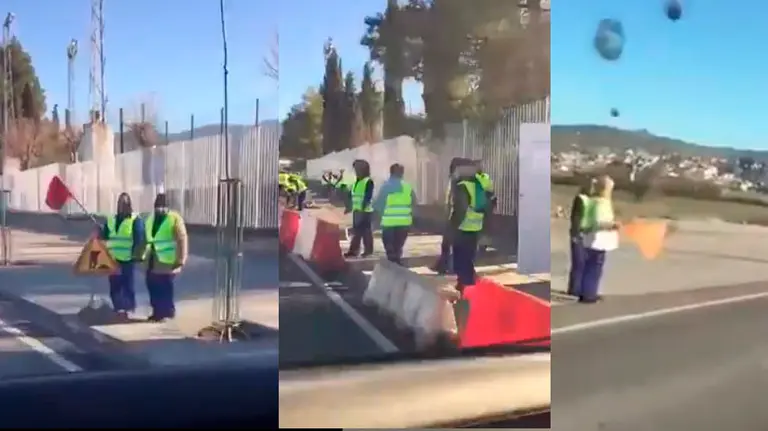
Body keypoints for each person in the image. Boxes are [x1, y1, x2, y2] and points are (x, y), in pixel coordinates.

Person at [143, 194, 189, 322]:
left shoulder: (174, 218)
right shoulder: (150, 219)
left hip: (167, 261)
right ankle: (157, 312)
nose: (160, 210)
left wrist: (181, 259)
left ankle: (167, 312)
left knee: (165, 288)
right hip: (152, 260)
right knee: (153, 287)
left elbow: (182, 239)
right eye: (158, 207)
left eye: (163, 207)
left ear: (167, 207)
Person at [101, 193, 145, 319]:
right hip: (113, 259)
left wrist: (137, 254)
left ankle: (128, 308)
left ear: (129, 205)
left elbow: (139, 238)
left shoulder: (135, 220)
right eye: (120, 204)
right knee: (115, 284)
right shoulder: (111, 220)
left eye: (125, 204)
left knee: (127, 285)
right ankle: (118, 308)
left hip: (127, 258)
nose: (122, 207)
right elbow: (105, 235)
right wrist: (100, 232)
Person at [580, 175, 620, 304]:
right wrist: (612, 225)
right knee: (594, 267)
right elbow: (599, 222)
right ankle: (589, 294)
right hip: (598, 239)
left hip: (592, 238)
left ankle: (587, 292)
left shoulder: (593, 200)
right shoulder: (601, 202)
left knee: (590, 266)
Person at [449, 162, 486, 293]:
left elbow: (461, 209)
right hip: (476, 225)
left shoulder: (462, 187)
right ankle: (468, 284)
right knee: (468, 256)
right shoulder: (477, 185)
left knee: (460, 257)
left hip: (463, 227)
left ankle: (464, 287)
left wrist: (454, 225)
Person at [373, 163, 417, 264]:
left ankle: (393, 266)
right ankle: (397, 264)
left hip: (389, 224)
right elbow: (414, 203)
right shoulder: (408, 187)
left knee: (390, 250)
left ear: (391, 172)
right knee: (398, 247)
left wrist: (376, 218)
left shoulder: (386, 187)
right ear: (402, 173)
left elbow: (378, 204)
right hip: (404, 223)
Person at [567, 177, 596, 298]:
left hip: (589, 234)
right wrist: (575, 234)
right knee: (578, 263)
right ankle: (574, 290)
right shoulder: (581, 199)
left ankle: (584, 290)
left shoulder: (593, 200)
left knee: (586, 263)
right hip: (579, 234)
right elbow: (576, 217)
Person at [344, 160, 375, 258]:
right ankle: (354, 251)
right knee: (357, 232)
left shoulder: (368, 181)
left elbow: (367, 196)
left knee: (365, 233)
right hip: (357, 211)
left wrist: (362, 208)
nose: (356, 171)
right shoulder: (356, 182)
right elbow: (353, 196)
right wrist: (349, 207)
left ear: (363, 169)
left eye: (357, 169)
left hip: (365, 212)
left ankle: (367, 251)